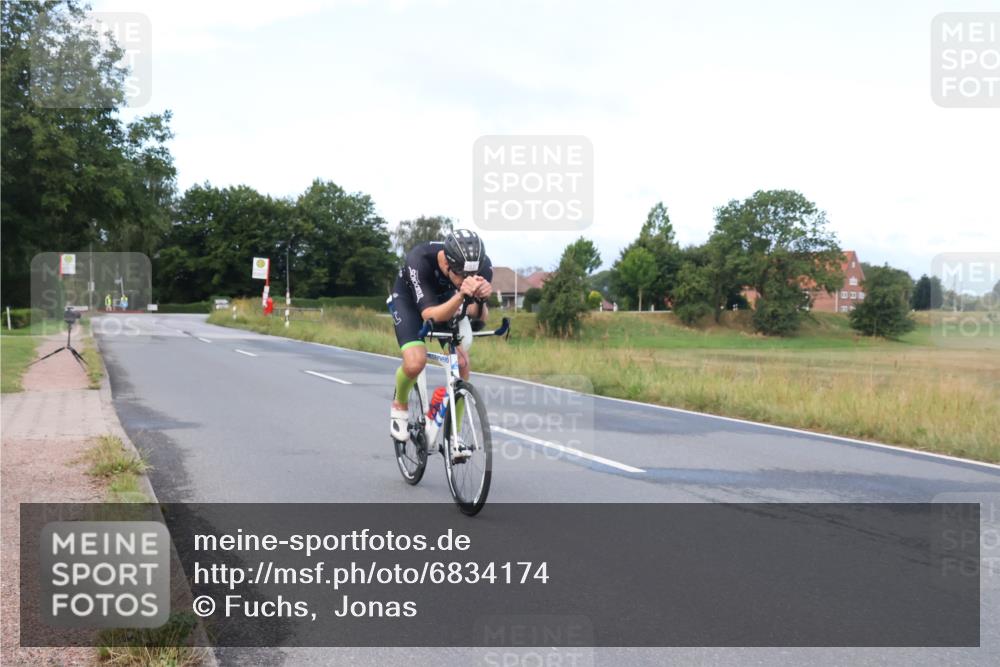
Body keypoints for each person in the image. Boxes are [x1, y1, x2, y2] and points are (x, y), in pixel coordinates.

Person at [388, 229, 493, 445]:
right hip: (408, 300)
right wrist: (463, 295)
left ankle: (454, 435)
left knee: (462, 364)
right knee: (416, 361)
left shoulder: (481, 267)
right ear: (446, 264)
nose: (467, 280)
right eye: (461, 275)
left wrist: (481, 300)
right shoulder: (420, 259)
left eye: (470, 276)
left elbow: (479, 316)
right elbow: (429, 315)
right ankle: (399, 403)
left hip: (445, 298)